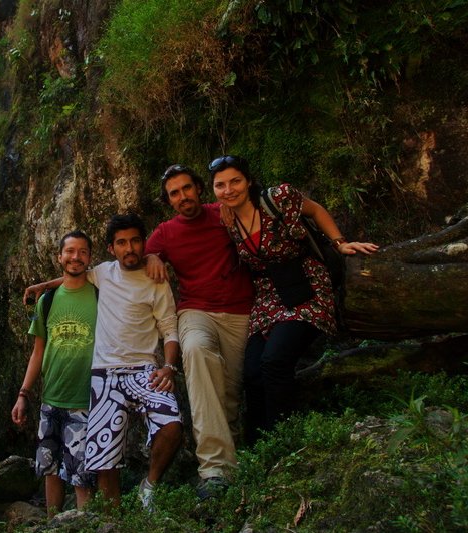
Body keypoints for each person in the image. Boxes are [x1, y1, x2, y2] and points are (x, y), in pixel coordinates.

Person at [208, 154, 379, 444]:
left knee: (275, 361)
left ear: (248, 181)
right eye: (220, 185)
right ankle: (257, 447)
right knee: (251, 372)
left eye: (235, 181)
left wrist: (340, 242)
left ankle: (284, 439)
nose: (229, 190)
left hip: (306, 286)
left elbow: (315, 211)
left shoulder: (278, 197)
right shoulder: (227, 218)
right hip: (268, 296)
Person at [24, 214, 183, 511]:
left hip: (144, 370)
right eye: (121, 243)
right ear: (111, 249)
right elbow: (74, 274)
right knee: (104, 459)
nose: (130, 248)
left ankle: (148, 485)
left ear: (143, 242)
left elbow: (170, 329)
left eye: (136, 241)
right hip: (104, 376)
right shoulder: (103, 273)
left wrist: (169, 366)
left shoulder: (156, 279)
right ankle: (112, 520)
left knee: (172, 425)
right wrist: (40, 287)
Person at [144, 164, 254, 498]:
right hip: (195, 311)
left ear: (199, 189)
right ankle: (214, 469)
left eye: (186, 188)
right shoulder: (164, 233)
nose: (182, 197)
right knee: (194, 350)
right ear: (168, 200)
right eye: (174, 193)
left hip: (240, 311)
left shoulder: (222, 214)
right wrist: (152, 256)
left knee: (231, 394)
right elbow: (131, 258)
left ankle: (234, 460)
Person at [11, 230, 97, 516]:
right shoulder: (46, 301)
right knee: (50, 468)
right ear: (59, 256)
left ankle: (84, 524)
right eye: (70, 251)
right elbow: (38, 352)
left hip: (85, 401)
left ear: (90, 258)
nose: (76, 257)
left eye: (82, 252)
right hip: (51, 401)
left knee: (81, 473)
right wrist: (23, 394)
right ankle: (52, 523)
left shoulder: (101, 295)